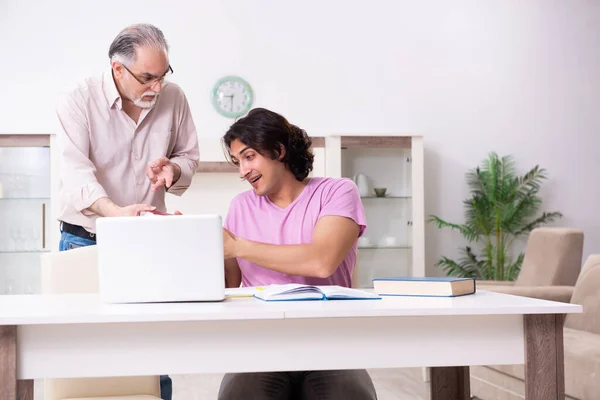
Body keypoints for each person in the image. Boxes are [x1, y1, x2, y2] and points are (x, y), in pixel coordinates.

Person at [55, 23, 199, 400]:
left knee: (152, 350)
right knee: (84, 351)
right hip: (84, 239)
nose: (156, 87)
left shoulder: (174, 98)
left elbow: (188, 155)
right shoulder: (78, 99)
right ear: (118, 69)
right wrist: (113, 214)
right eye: (147, 78)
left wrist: (175, 170)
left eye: (163, 76)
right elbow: (75, 173)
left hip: (148, 240)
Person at [218, 108, 377, 400]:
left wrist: (238, 246)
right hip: (261, 342)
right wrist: (191, 243)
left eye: (249, 156)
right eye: (238, 161)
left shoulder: (337, 192)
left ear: (279, 150)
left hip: (329, 340)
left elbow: (322, 261)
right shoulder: (240, 206)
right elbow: (228, 283)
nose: (243, 171)